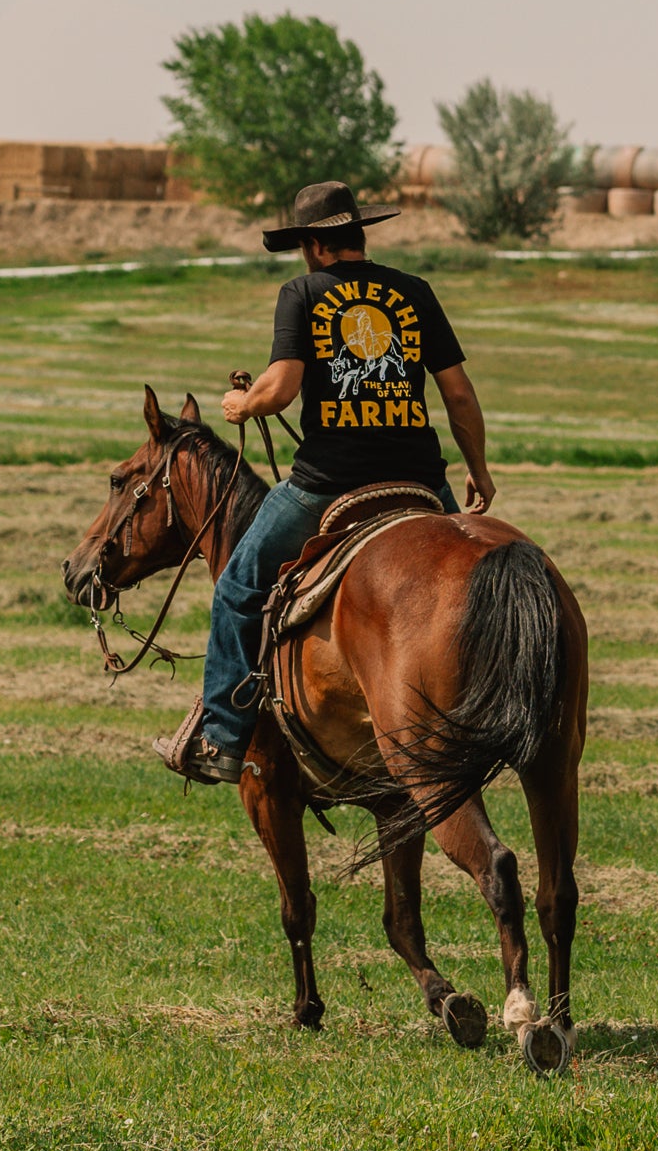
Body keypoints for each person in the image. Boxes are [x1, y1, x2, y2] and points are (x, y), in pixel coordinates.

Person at [160, 178, 495, 782]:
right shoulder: (414, 292)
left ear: (314, 244)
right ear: (359, 236)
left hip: (327, 485)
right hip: (418, 481)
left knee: (238, 585)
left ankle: (224, 742)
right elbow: (459, 396)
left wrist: (238, 406)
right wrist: (479, 473)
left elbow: (281, 387)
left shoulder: (302, 293)